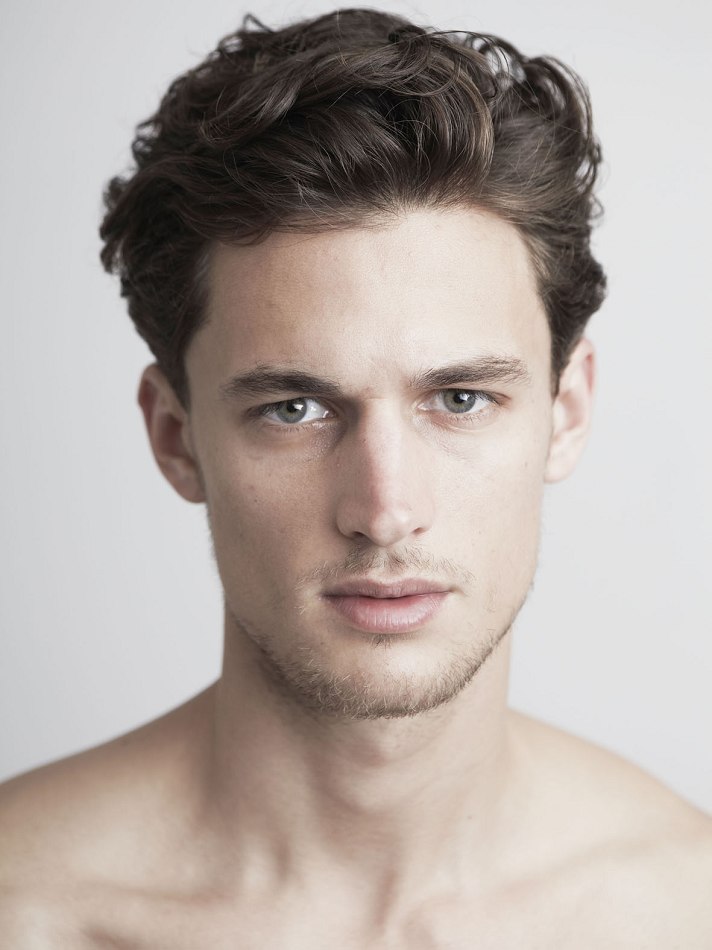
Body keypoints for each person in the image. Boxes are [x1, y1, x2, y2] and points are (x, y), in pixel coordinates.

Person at [1, 8, 710, 946]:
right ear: (176, 437)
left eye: (459, 399)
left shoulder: (685, 909)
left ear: (566, 411)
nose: (384, 511)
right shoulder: (25, 908)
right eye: (295, 409)